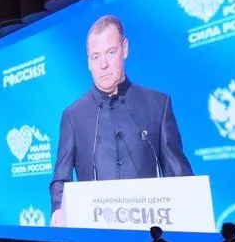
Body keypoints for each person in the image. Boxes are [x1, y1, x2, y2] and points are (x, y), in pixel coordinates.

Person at [50, 15, 193, 226]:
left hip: (150, 232)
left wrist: (189, 206)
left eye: (110, 52)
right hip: (97, 236)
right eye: (96, 57)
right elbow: (61, 176)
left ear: (124, 49)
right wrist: (59, 207)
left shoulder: (158, 105)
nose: (103, 65)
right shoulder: (73, 116)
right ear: (88, 62)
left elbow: (178, 174)